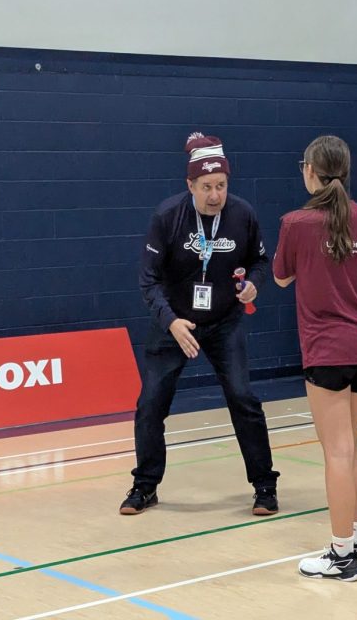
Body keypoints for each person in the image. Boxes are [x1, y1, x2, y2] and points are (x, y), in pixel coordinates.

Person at [120, 132, 280, 516]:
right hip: (174, 322)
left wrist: (254, 286)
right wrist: (171, 322)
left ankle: (264, 485)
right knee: (150, 404)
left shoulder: (243, 215)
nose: (215, 195)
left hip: (224, 321)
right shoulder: (167, 217)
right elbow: (148, 280)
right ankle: (145, 485)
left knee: (243, 398)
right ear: (189, 185)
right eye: (206, 186)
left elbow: (261, 261)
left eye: (221, 185)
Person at [273, 135, 357, 582]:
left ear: (310, 171)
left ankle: (341, 555)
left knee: (337, 451)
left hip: (327, 350)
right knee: (352, 446)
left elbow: (282, 277)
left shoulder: (296, 222)